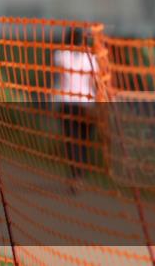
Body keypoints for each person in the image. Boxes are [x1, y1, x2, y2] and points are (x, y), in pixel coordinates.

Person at [52, 28, 98, 188]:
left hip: (67, 102)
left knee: (72, 140)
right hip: (85, 103)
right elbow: (93, 83)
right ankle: (79, 174)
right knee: (82, 140)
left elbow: (57, 77)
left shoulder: (60, 55)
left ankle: (76, 174)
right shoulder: (91, 58)